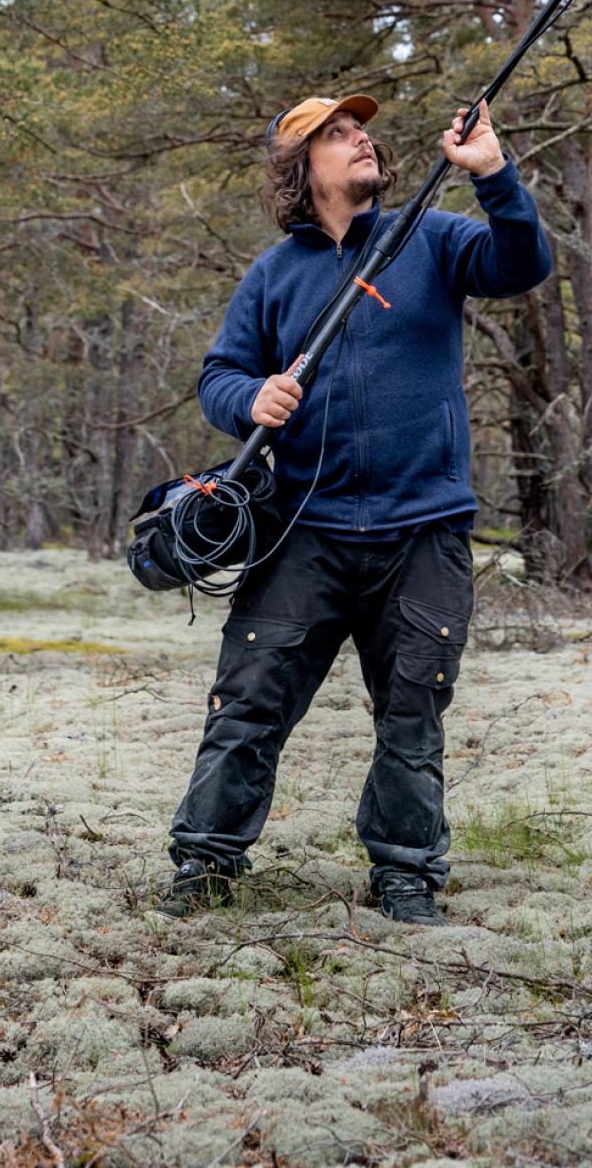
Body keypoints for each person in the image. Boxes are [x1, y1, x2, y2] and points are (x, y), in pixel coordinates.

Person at [163, 87, 552, 922]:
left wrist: (493, 175)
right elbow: (218, 375)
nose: (359, 141)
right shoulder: (273, 276)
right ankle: (205, 865)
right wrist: (248, 399)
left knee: (412, 715)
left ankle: (405, 875)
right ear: (300, 170)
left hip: (424, 531)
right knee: (247, 705)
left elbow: (521, 266)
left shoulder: (432, 239)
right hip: (303, 532)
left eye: (360, 131)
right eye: (335, 136)